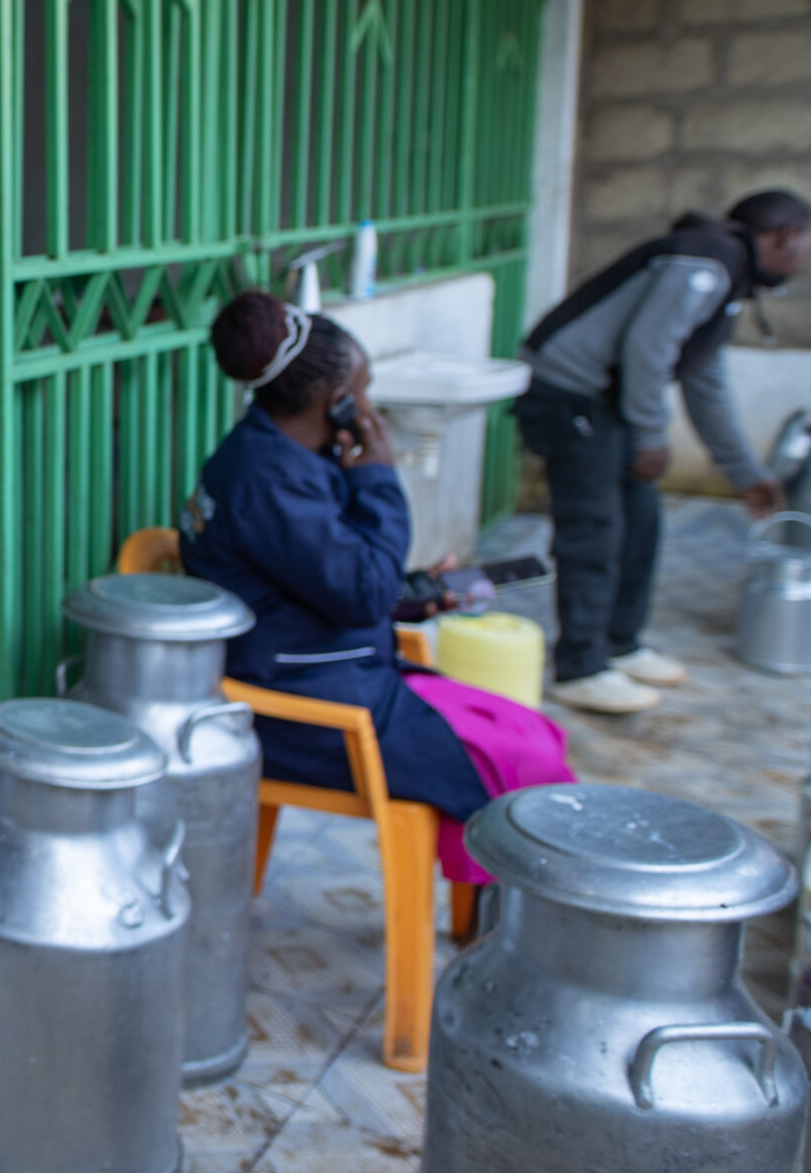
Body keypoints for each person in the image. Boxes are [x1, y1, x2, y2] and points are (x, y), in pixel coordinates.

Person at [180, 291, 573, 886]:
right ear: (336, 403)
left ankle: (498, 906)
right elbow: (358, 591)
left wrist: (410, 593)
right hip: (310, 711)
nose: (369, 406)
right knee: (521, 758)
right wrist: (379, 478)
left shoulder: (281, 458)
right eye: (363, 392)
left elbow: (328, 580)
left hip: (333, 669)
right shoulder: (270, 481)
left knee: (531, 731)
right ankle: (510, 918)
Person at [515, 190, 811, 714]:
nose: (804, 259)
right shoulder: (708, 259)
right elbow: (647, 348)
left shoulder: (728, 275)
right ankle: (580, 667)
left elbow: (705, 381)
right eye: (805, 245)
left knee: (642, 519)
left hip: (612, 400)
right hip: (570, 392)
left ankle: (620, 644)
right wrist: (651, 435)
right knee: (594, 529)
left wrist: (745, 471)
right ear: (785, 236)